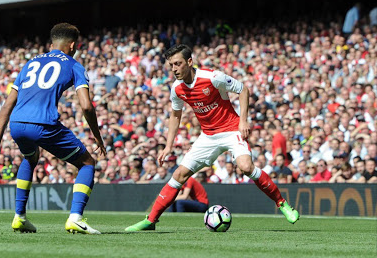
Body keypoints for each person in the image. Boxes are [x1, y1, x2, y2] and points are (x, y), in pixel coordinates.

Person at [125, 44, 299, 232]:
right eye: (171, 65)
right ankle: (151, 221)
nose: (174, 69)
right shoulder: (177, 89)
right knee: (178, 175)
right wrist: (168, 146)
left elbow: (243, 90)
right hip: (208, 136)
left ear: (189, 62)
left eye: (178, 64)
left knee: (246, 167)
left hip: (231, 130)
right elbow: (175, 116)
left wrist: (243, 121)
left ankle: (282, 204)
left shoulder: (213, 77)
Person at [0, 23, 105, 234]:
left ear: (51, 44)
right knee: (87, 163)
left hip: (17, 124)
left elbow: (7, 105)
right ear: (73, 45)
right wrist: (97, 136)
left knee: (30, 158)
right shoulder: (74, 64)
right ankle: (75, 218)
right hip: (43, 124)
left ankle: (19, 217)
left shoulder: (30, 63)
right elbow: (86, 105)